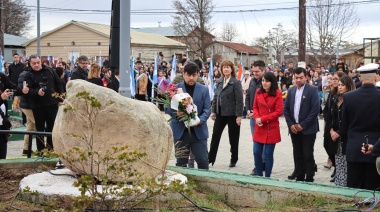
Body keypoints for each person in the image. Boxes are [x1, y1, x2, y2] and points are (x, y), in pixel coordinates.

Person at [341, 63, 380, 190]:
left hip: (354, 147)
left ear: (360, 78)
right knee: (372, 189)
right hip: (376, 148)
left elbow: (345, 125)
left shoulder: (348, 97)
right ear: (376, 77)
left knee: (354, 188)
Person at [165, 62, 211, 169]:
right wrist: (176, 114)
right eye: (188, 75)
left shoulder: (203, 89)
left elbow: (207, 109)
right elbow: (167, 108)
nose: (191, 78)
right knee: (181, 163)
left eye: (194, 75)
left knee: (203, 161)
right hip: (181, 133)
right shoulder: (174, 89)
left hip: (198, 132)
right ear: (183, 74)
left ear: (197, 75)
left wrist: (200, 120)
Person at [284, 67, 320, 182]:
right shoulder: (291, 91)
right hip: (294, 129)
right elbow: (286, 110)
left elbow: (315, 110)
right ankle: (299, 175)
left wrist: (302, 125)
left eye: (301, 78)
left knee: (307, 153)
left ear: (306, 77)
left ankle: (309, 176)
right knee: (297, 153)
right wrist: (291, 125)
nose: (298, 80)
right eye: (296, 78)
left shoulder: (312, 90)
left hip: (308, 129)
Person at [23, 54, 64, 153]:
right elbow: (27, 91)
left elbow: (58, 82)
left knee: (52, 128)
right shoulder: (28, 74)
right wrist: (37, 92)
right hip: (38, 106)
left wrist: (61, 96)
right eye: (34, 63)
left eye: (38, 63)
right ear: (30, 63)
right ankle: (41, 150)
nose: (37, 65)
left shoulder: (49, 70)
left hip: (52, 104)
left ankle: (50, 149)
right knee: (40, 129)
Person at [209, 60, 243, 167]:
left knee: (233, 137)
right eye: (224, 67)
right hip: (220, 113)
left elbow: (239, 100)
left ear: (232, 69)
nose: (226, 69)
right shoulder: (219, 81)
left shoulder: (236, 82)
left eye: (228, 67)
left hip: (232, 114)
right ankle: (210, 158)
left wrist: (239, 116)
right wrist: (213, 111)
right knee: (215, 136)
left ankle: (234, 158)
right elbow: (215, 97)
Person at [252, 72, 283, 177]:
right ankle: (259, 176)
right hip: (259, 127)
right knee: (256, 152)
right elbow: (255, 107)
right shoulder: (258, 92)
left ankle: (267, 177)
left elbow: (278, 112)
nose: (264, 83)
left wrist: (262, 119)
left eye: (267, 81)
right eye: (263, 81)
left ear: (272, 82)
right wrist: (257, 118)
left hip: (271, 128)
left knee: (268, 154)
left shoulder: (278, 93)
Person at [330, 75, 355, 187]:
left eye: (342, 85)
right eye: (339, 85)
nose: (339, 87)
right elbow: (331, 116)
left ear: (348, 86)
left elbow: (350, 121)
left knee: (346, 163)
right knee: (338, 162)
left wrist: (339, 133)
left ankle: (346, 186)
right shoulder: (335, 99)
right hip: (336, 136)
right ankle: (339, 184)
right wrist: (331, 130)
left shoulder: (351, 100)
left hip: (346, 137)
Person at [245, 60, 264, 175]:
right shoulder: (252, 81)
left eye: (257, 71)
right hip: (252, 116)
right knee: (256, 141)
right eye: (253, 71)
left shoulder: (267, 81)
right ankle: (258, 165)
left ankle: (263, 164)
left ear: (263, 70)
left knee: (264, 142)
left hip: (263, 117)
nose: (255, 73)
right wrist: (248, 110)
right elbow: (248, 97)